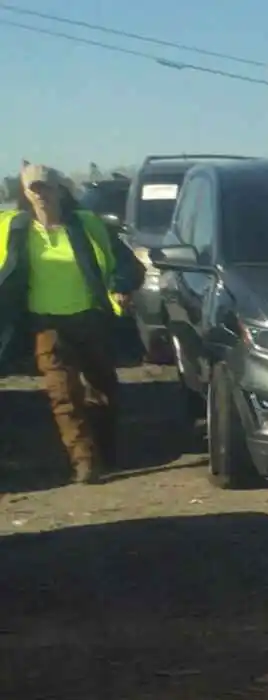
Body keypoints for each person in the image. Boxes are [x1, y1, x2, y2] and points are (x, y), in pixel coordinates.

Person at [0, 161, 143, 483]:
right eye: (32, 190)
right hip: (46, 325)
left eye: (45, 188)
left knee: (102, 390)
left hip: (90, 319)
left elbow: (125, 264)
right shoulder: (12, 230)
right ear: (23, 194)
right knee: (63, 394)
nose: (40, 196)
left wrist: (120, 287)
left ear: (60, 191)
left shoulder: (87, 225)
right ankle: (84, 461)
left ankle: (106, 451)